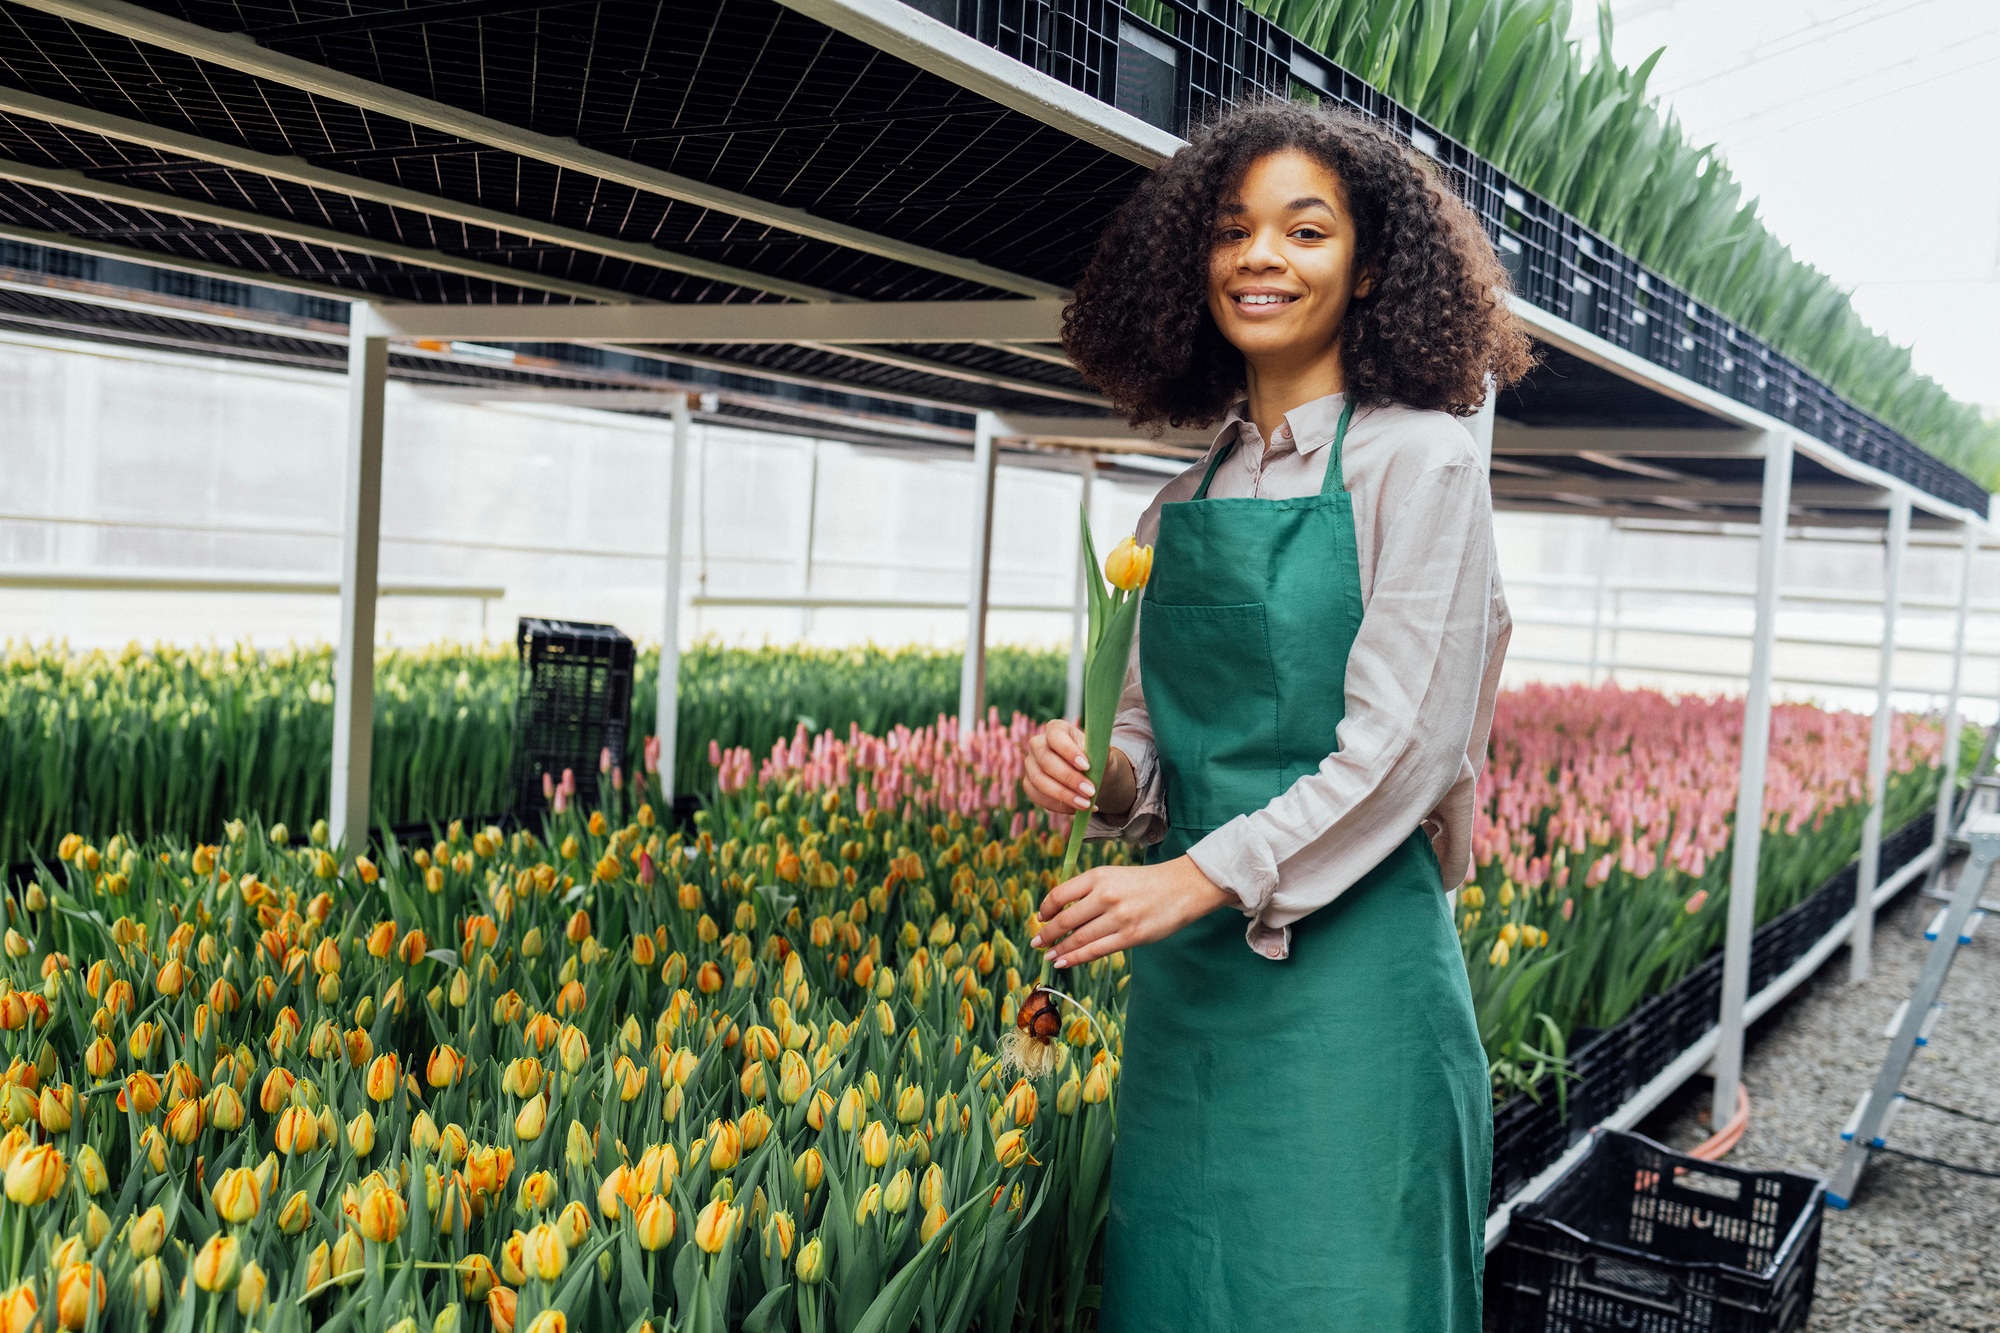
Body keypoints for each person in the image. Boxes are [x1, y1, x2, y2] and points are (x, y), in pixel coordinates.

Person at [1021, 99, 1533, 1331]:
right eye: (1230, 230)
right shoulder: (1176, 502)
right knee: (1182, 1284)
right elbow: (1149, 734)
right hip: (1189, 995)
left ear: (1368, 270)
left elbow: (1406, 744)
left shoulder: (1420, 461)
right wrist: (1097, 774)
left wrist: (1195, 876)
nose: (1260, 257)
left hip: (1348, 988)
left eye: (1305, 231)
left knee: (1339, 1292)